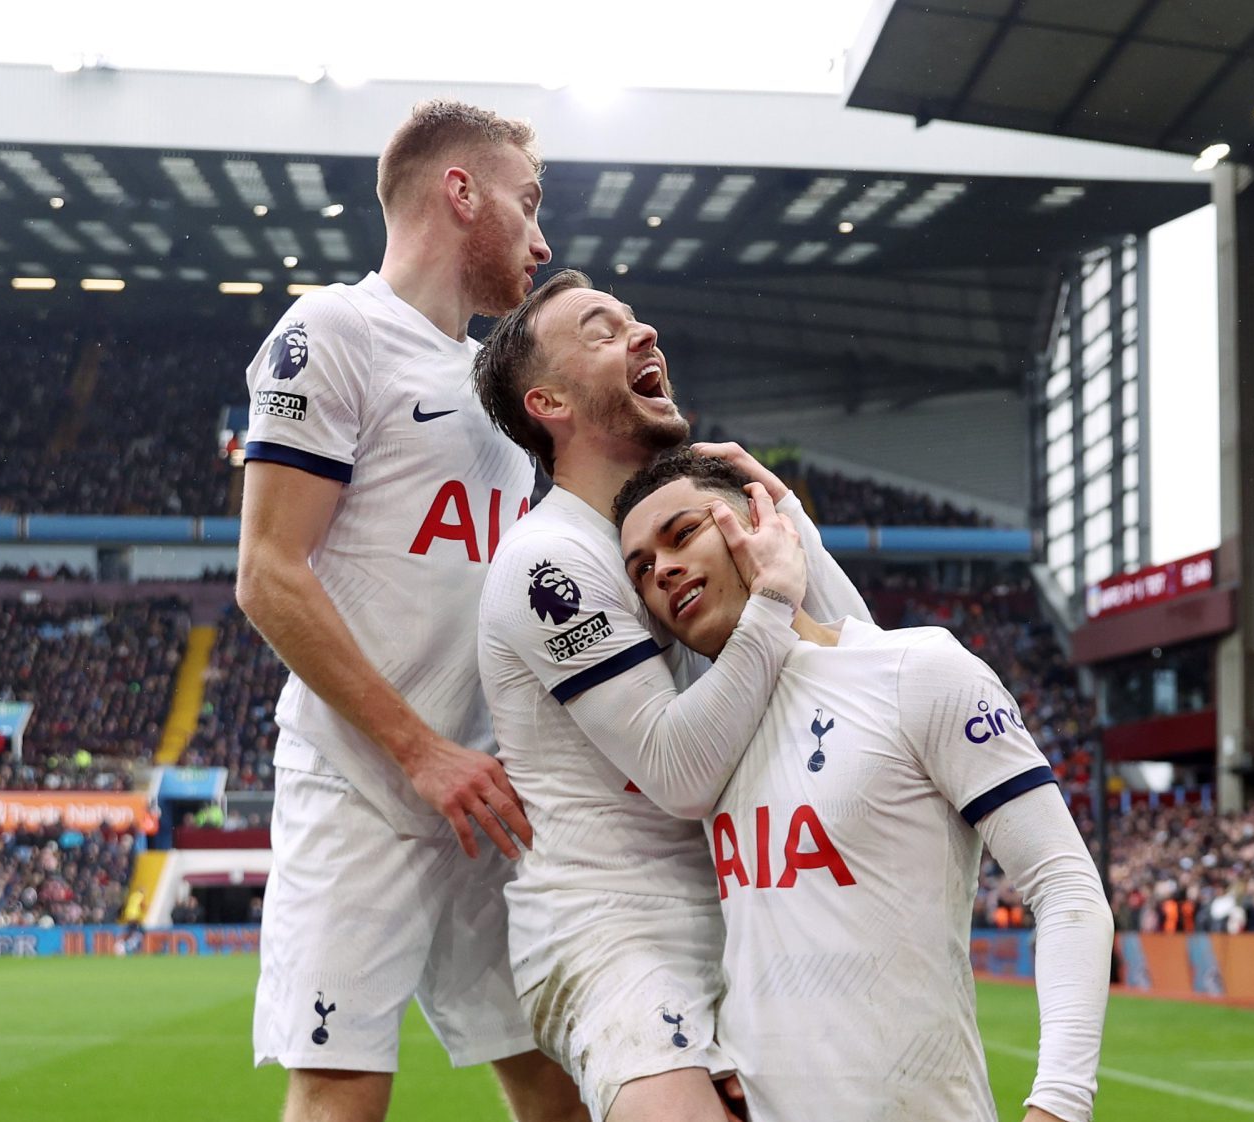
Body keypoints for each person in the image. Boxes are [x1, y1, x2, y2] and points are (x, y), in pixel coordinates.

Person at [230, 98, 578, 1121]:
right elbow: (267, 573)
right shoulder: (334, 329)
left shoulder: (497, 385)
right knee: (342, 1096)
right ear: (460, 192)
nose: (542, 240)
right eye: (528, 203)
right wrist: (419, 750)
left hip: (484, 796)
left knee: (562, 1088)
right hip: (364, 785)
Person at [470, 269, 871, 1120]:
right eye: (602, 330)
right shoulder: (549, 561)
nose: (644, 332)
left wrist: (783, 514)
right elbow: (678, 772)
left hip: (744, 925)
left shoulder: (673, 539)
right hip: (614, 936)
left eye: (634, 319)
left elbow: (860, 672)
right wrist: (771, 600)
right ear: (549, 402)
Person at [613, 451, 1111, 1122]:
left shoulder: (916, 670)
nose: (663, 570)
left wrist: (1060, 1104)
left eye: (682, 534)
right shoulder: (702, 747)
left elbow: (1065, 885)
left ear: (760, 522)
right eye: (641, 569)